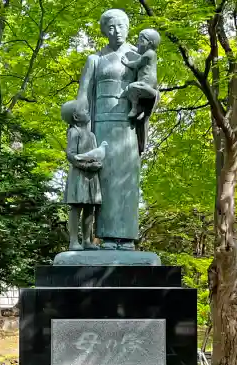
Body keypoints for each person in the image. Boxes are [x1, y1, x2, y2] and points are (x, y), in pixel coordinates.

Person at [77, 9, 158, 250]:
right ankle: (107, 237)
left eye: (121, 25)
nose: (117, 31)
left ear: (128, 27)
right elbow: (83, 97)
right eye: (111, 27)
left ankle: (127, 238)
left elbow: (151, 85)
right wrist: (81, 132)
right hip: (100, 127)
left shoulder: (139, 54)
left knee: (127, 182)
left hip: (128, 127)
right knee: (104, 183)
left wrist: (146, 101)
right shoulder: (96, 59)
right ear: (104, 30)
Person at [62, 100, 102, 250]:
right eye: (84, 110)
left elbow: (96, 154)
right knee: (76, 206)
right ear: (76, 117)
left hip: (91, 177)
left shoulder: (91, 135)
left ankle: (87, 240)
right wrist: (85, 165)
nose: (88, 111)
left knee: (90, 207)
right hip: (79, 175)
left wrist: (96, 164)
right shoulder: (74, 132)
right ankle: (73, 241)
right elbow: (70, 154)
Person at [121, 28, 160, 119]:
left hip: (147, 82)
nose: (138, 43)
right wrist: (132, 48)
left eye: (141, 40)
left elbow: (137, 64)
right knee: (137, 93)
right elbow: (140, 51)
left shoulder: (149, 54)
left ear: (150, 43)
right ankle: (141, 110)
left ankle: (135, 108)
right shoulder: (150, 52)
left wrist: (126, 62)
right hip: (147, 82)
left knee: (130, 89)